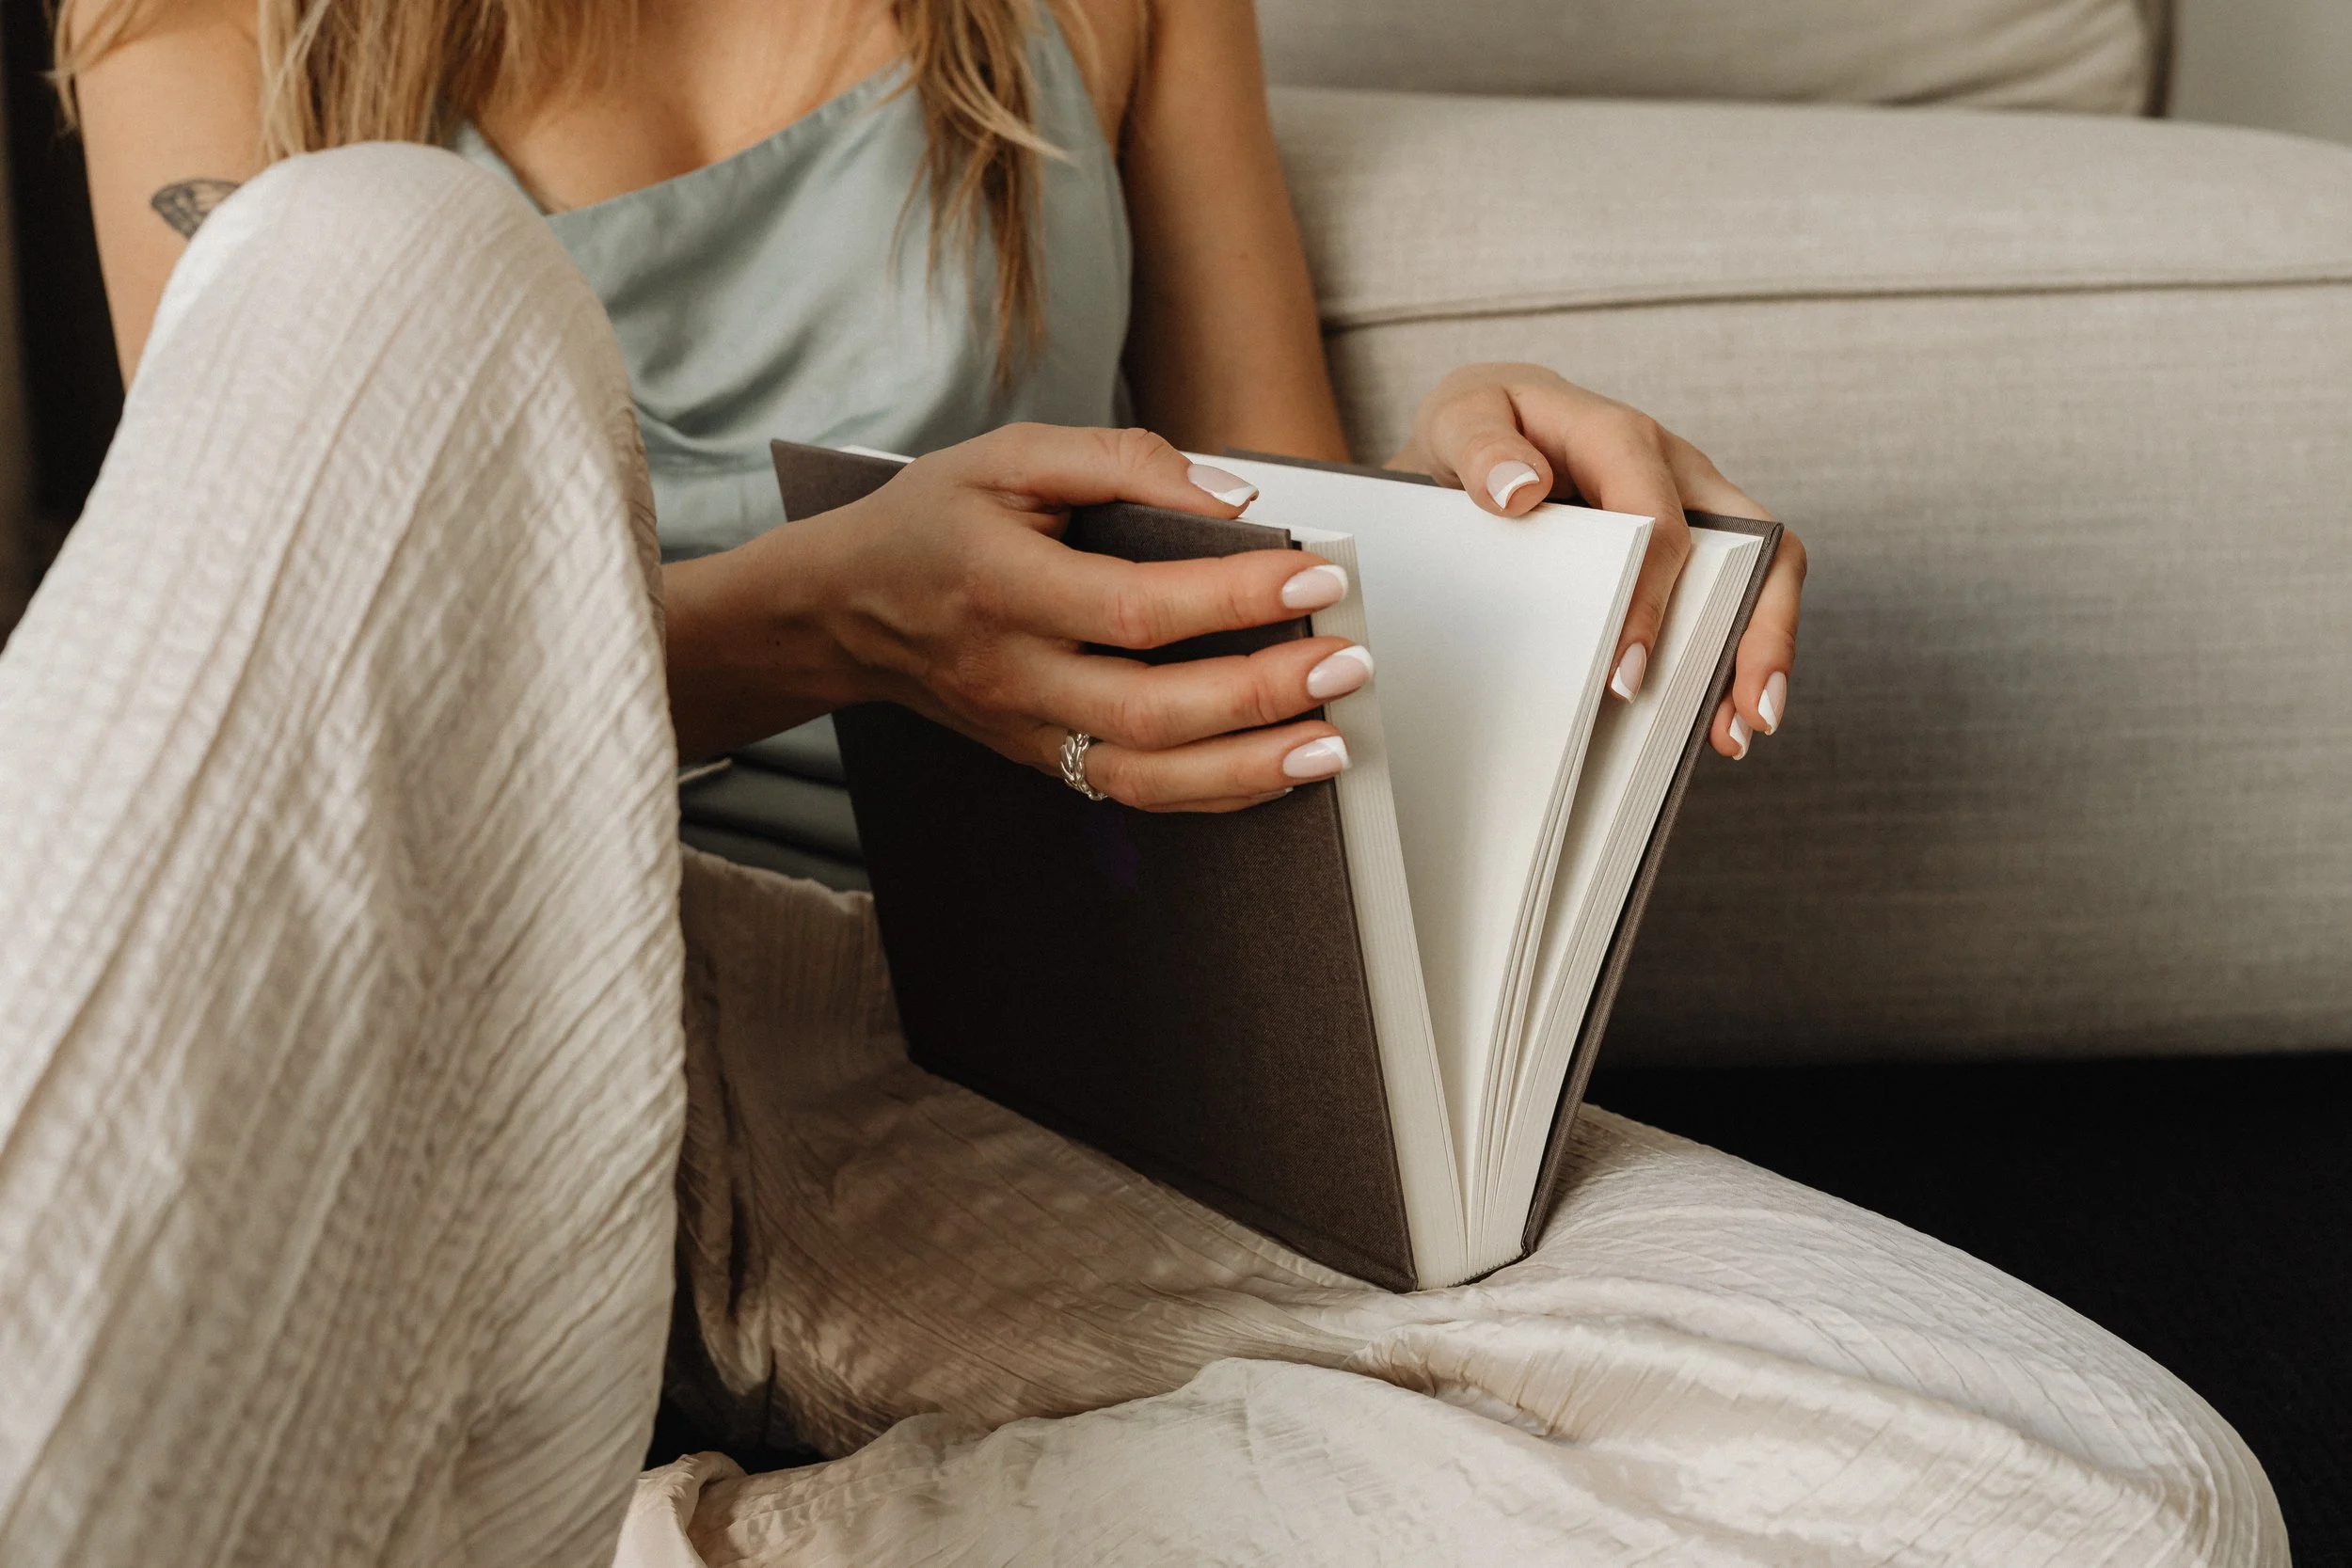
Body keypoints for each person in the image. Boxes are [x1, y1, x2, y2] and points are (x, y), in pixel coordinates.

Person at [0, 2, 2275, 1565]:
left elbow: (1268, 576)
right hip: (423, 1002)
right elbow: (293, 688)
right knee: (377, 251)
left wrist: (1507, 537)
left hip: (949, 1040)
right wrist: (814, 617)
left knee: (2124, 1502)